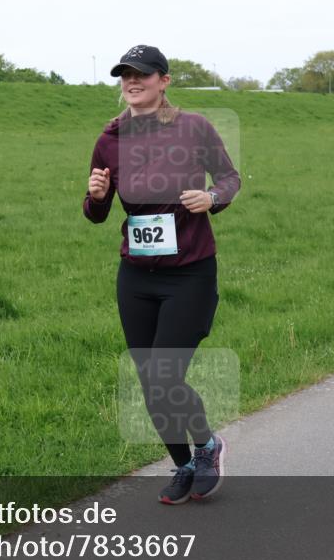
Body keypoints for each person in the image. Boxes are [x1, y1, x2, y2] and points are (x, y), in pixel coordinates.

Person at [82, 45, 241, 504]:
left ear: (164, 80)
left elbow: (231, 177)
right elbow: (97, 213)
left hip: (189, 272)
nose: (133, 82)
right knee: (148, 379)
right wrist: (95, 195)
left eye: (142, 75)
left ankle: (208, 446)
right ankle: (183, 464)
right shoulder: (111, 137)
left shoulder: (194, 128)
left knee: (165, 376)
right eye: (125, 76)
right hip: (136, 276)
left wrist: (213, 198)